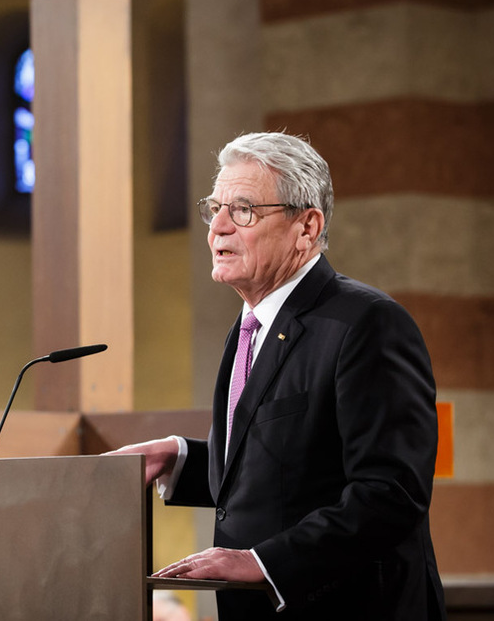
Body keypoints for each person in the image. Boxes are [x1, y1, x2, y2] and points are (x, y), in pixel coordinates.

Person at [110, 132, 446, 620]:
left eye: (242, 210)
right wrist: (180, 457)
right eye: (215, 208)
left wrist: (263, 562)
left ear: (306, 226)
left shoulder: (366, 324)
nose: (217, 229)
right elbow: (289, 469)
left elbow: (391, 493)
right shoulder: (248, 329)